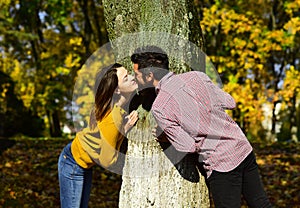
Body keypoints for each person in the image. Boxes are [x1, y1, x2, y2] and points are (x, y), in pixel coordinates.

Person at [131, 45, 272, 208]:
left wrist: (164, 136)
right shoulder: (197, 76)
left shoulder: (160, 107)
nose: (135, 79)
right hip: (242, 147)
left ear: (149, 75)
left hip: (222, 163)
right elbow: (230, 102)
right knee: (261, 203)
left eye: (136, 74)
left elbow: (189, 146)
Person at [58, 63, 139, 208]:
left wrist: (123, 129)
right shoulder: (114, 117)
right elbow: (107, 161)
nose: (133, 78)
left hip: (80, 162)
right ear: (116, 90)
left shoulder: (112, 106)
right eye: (126, 78)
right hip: (73, 162)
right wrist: (124, 131)